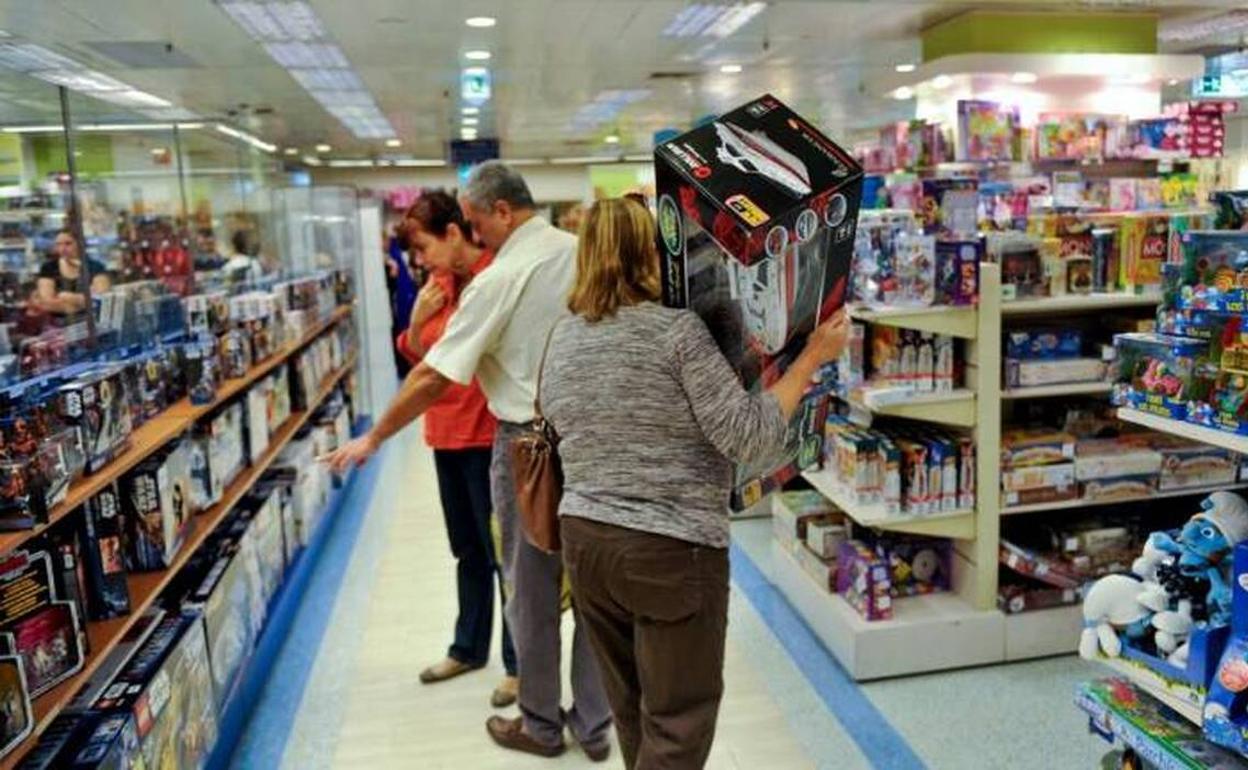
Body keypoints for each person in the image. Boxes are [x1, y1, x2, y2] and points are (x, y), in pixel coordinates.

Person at [541, 198, 850, 769]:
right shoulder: (675, 333)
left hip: (586, 542)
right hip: (669, 549)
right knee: (679, 722)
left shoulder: (562, 336)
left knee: (632, 710)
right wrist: (811, 359)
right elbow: (748, 435)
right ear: (650, 254)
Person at [323, 161, 612, 761]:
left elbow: (432, 375)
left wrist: (373, 437)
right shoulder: (584, 253)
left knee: (530, 588)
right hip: (594, 439)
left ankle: (538, 724)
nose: (476, 236)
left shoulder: (499, 278)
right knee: (593, 587)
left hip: (528, 446)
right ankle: (594, 724)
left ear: (502, 212)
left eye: (477, 223)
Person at [392, 190, 518, 707]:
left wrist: (425, 334)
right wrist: (418, 322)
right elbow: (420, 358)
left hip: (489, 436)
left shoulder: (494, 278)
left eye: (423, 248)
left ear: (452, 233)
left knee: (503, 555)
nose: (420, 262)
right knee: (466, 549)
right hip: (444, 434)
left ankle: (518, 663)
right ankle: (468, 647)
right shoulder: (437, 286)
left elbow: (464, 354)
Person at [32, 229, 111, 314]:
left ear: (80, 244)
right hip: (57, 322)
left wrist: (67, 297)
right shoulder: (49, 268)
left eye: (68, 244)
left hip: (89, 320)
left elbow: (101, 299)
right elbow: (47, 302)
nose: (62, 248)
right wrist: (81, 302)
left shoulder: (96, 267)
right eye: (58, 244)